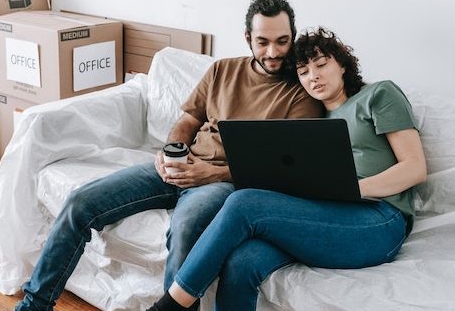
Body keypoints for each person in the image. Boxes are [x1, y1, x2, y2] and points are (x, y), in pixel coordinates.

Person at [0, 0, 323, 311]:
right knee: (81, 203)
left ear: (292, 36)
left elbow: (283, 166)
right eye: (263, 42)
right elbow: (189, 118)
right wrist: (170, 153)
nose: (273, 52)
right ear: (248, 37)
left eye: (282, 41)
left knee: (185, 228)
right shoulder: (224, 70)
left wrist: (212, 173)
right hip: (181, 165)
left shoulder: (303, 91)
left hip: (224, 182)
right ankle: (33, 305)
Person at [147, 27, 427, 311]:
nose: (313, 76)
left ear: (342, 64)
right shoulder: (313, 121)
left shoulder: (379, 94)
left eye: (321, 64)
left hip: (379, 221)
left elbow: (415, 168)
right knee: (241, 261)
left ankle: (169, 307)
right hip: (327, 213)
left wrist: (351, 189)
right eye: (303, 71)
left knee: (243, 203)